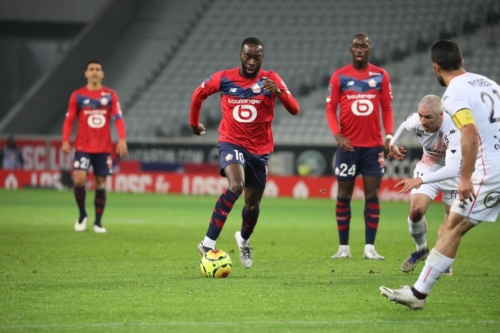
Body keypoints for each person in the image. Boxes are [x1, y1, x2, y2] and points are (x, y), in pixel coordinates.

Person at [380, 39, 500, 309]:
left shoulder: (453, 93)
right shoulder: (488, 83)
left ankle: (418, 294)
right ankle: (418, 292)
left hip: (489, 171)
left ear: (435, 67)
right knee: (449, 228)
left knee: (451, 228)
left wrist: (466, 177)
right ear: (462, 61)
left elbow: (468, 132)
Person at [190, 37, 300, 268]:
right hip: (231, 141)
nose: (251, 61)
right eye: (247, 56)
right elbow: (197, 95)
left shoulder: (271, 79)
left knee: (252, 206)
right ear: (240, 55)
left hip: (259, 150)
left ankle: (243, 239)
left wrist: (279, 92)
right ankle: (208, 243)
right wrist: (194, 123)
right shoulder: (223, 78)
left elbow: (295, 109)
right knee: (236, 186)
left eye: (256, 57)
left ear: (262, 57)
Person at [326, 32, 394, 260]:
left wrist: (389, 135)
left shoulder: (381, 75)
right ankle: (343, 248)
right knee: (343, 195)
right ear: (350, 49)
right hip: (348, 148)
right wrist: (338, 136)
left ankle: (369, 248)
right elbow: (330, 109)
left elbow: (387, 108)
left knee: (372, 194)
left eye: (364, 45)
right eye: (356, 45)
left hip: (373, 147)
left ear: (370, 50)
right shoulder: (339, 77)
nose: (359, 48)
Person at [387, 95, 461, 274]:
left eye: (428, 117)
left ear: (440, 115)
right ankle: (421, 250)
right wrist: (393, 144)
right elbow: (405, 126)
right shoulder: (417, 122)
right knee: (415, 211)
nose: (423, 120)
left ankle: (443, 260)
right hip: (428, 167)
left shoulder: (453, 130)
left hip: (455, 174)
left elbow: (451, 169)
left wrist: (419, 180)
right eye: (421, 115)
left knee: (449, 225)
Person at [62, 60, 128, 233]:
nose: (94, 72)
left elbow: (118, 118)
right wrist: (65, 140)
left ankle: (98, 222)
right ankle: (82, 215)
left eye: (98, 69)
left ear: (102, 73)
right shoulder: (77, 95)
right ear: (86, 73)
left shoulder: (110, 95)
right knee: (79, 179)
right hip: (83, 146)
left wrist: (122, 139)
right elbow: (69, 120)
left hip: (103, 148)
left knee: (100, 183)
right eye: (91, 69)